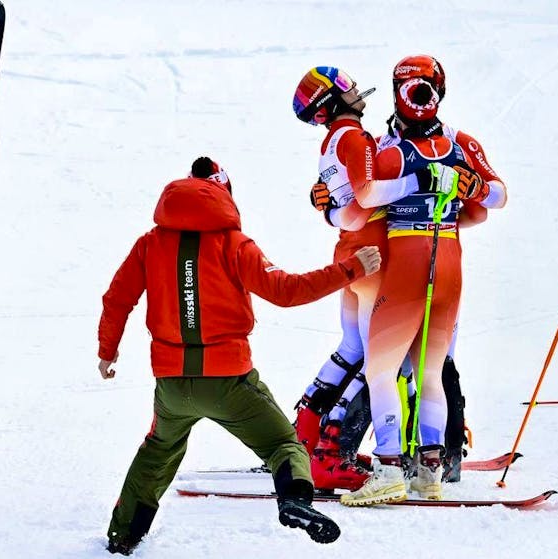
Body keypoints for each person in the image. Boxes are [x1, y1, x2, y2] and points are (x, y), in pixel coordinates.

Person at [98, 157, 381, 554]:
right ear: (223, 195)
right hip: (230, 382)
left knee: (158, 451)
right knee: (285, 445)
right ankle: (295, 500)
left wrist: (106, 352)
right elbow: (286, 290)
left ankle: (122, 535)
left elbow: (117, 299)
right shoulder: (233, 244)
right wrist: (351, 269)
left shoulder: (150, 242)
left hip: (172, 385)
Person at [341, 55, 506, 505]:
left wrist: (331, 205)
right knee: (430, 370)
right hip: (448, 253)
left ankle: (390, 467)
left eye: (421, 88)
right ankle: (429, 471)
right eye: (414, 88)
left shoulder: (388, 150)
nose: (418, 97)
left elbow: (358, 206)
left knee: (380, 368)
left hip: (409, 257)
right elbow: (493, 200)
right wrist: (462, 189)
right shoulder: (460, 143)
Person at [290, 66, 415, 491]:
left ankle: (304, 436)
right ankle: (330, 451)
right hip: (373, 256)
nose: (356, 88)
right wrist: (421, 179)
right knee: (379, 357)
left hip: (352, 251)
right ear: (332, 100)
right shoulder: (354, 138)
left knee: (353, 347)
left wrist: (327, 211)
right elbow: (364, 199)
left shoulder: (332, 142)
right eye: (345, 85)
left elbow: (343, 204)